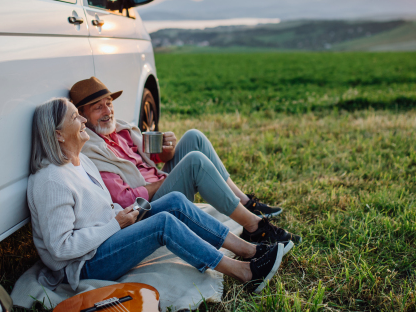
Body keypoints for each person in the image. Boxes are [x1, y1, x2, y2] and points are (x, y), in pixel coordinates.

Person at [26, 97, 286, 294]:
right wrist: (115, 224)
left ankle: (250, 250)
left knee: (174, 201)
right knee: (163, 224)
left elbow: (104, 205)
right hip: (85, 264)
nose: (83, 121)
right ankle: (245, 273)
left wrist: (125, 215)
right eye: (75, 118)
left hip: (109, 235)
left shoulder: (81, 161)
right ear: (58, 134)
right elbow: (60, 249)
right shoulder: (51, 180)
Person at [70, 77, 301, 245]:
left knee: (193, 137)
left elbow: (152, 161)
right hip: (149, 209)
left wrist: (167, 153)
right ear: (82, 114)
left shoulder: (121, 130)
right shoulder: (91, 150)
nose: (107, 110)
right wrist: (168, 180)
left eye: (109, 102)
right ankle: (254, 227)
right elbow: (126, 199)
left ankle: (244, 201)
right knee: (194, 162)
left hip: (161, 182)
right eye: (97, 107)